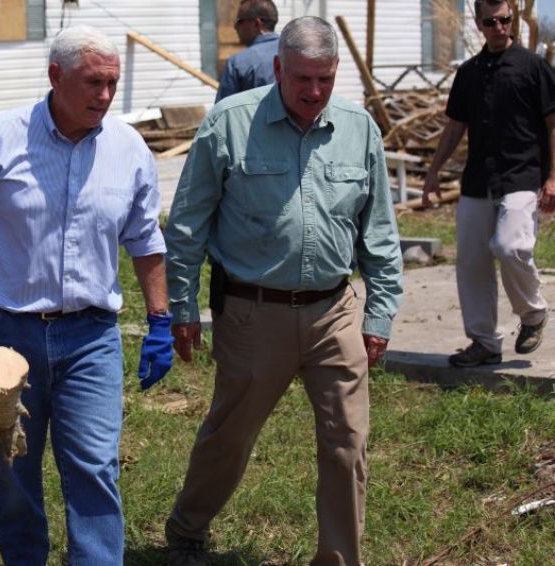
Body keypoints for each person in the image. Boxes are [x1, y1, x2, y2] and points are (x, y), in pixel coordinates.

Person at [163, 16, 403, 566]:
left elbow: (380, 232)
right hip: (253, 314)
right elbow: (187, 224)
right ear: (277, 69)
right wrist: (182, 308)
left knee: (348, 444)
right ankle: (187, 530)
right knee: (230, 436)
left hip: (333, 312)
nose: (313, 92)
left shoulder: (358, 127)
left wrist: (380, 314)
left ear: (336, 72)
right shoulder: (230, 123)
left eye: (324, 79)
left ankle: (339, 558)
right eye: (302, 79)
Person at [0, 25, 173, 565]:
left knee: (94, 465)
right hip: (9, 335)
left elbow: (145, 239)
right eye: (93, 82)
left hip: (90, 337)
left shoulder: (128, 148)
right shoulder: (0, 138)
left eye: (113, 83)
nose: (105, 96)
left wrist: (160, 320)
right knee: (15, 469)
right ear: (54, 77)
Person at [422, 0, 555, 368]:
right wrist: (433, 172)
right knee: (472, 262)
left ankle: (533, 313)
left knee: (510, 246)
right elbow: (454, 128)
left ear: (512, 18)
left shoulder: (534, 67)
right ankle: (484, 342)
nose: (499, 27)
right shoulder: (469, 72)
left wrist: (553, 178)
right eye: (491, 21)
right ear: (479, 24)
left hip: (523, 174)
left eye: (505, 20)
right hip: (478, 178)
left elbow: (552, 124)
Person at [215, 0, 280, 102]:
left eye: (239, 21)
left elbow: (223, 114)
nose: (235, 27)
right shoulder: (294, 53)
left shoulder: (237, 63)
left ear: (257, 24)